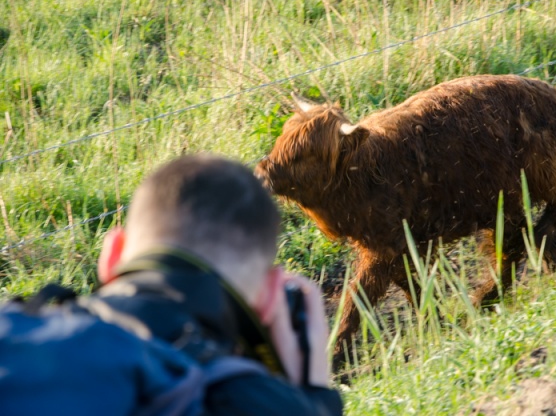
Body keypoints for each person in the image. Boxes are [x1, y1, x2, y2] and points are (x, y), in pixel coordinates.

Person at [0, 154, 343, 415]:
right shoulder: (238, 400)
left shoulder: (13, 330)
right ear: (269, 298)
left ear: (112, 255)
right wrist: (313, 399)